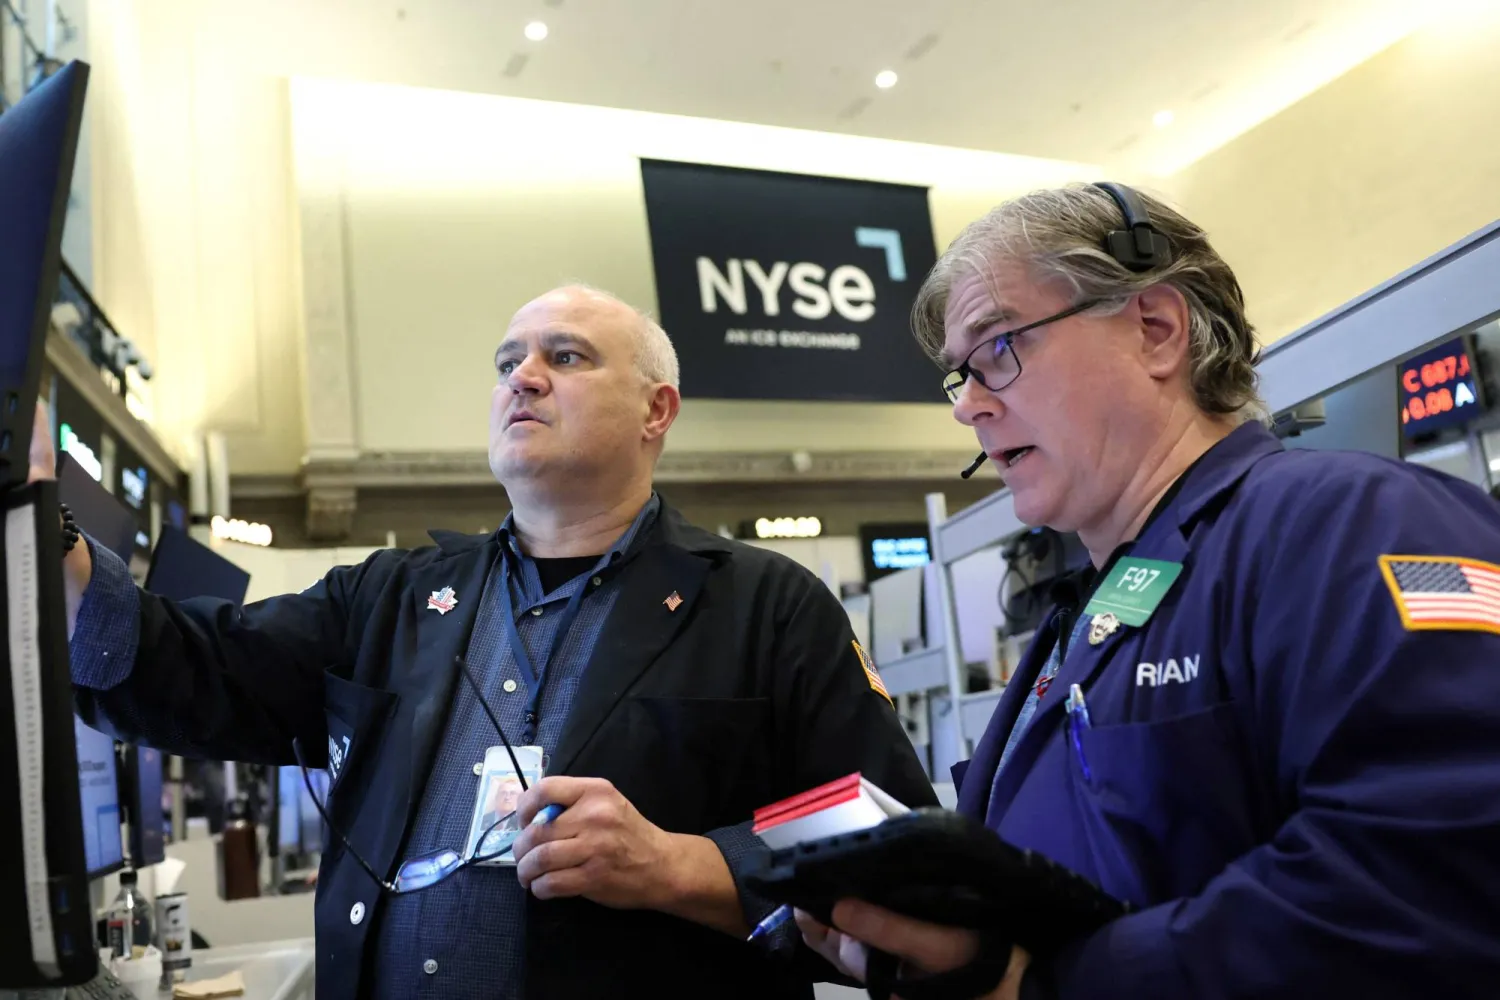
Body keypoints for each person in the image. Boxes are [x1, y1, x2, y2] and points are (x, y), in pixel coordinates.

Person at [45, 284, 936, 1000]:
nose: (524, 377)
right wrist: (52, 533)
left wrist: (680, 864)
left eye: (566, 356)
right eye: (509, 362)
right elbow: (189, 664)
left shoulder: (767, 606)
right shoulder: (390, 599)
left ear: (656, 410)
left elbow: (890, 849)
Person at [795, 183, 1500, 997]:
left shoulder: (1356, 521)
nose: (970, 409)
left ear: (1156, 329)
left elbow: (1439, 864)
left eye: (999, 349)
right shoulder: (1093, 610)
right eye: (963, 376)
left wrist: (1054, 985)